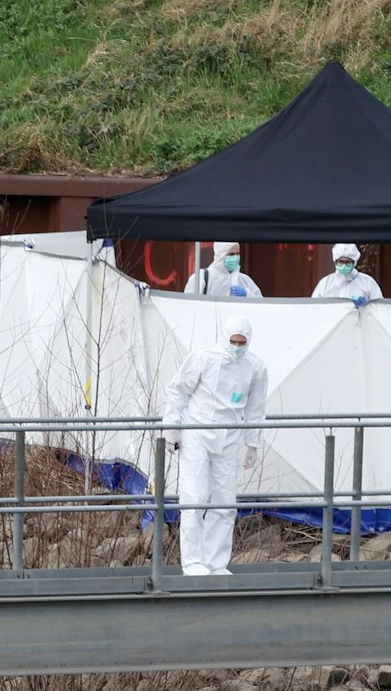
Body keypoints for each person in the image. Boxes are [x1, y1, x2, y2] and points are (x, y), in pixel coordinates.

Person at [163, 314, 269, 575]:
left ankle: (216, 562)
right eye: (233, 341)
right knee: (194, 496)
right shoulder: (204, 357)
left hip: (229, 434)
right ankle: (192, 561)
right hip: (197, 430)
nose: (237, 346)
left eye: (242, 342)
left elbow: (256, 407)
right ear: (225, 338)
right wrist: (172, 426)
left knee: (224, 502)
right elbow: (179, 389)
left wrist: (252, 443)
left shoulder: (255, 367)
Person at [183, 241, 263, 298]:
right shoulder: (202, 278)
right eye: (231, 254)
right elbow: (189, 305)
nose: (236, 257)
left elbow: (261, 305)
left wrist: (247, 294)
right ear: (221, 255)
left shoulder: (244, 280)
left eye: (237, 254)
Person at [312, 243, 384, 301]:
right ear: (335, 261)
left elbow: (378, 307)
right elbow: (315, 307)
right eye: (341, 262)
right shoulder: (326, 283)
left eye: (348, 262)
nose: (344, 265)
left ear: (354, 262)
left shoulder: (367, 282)